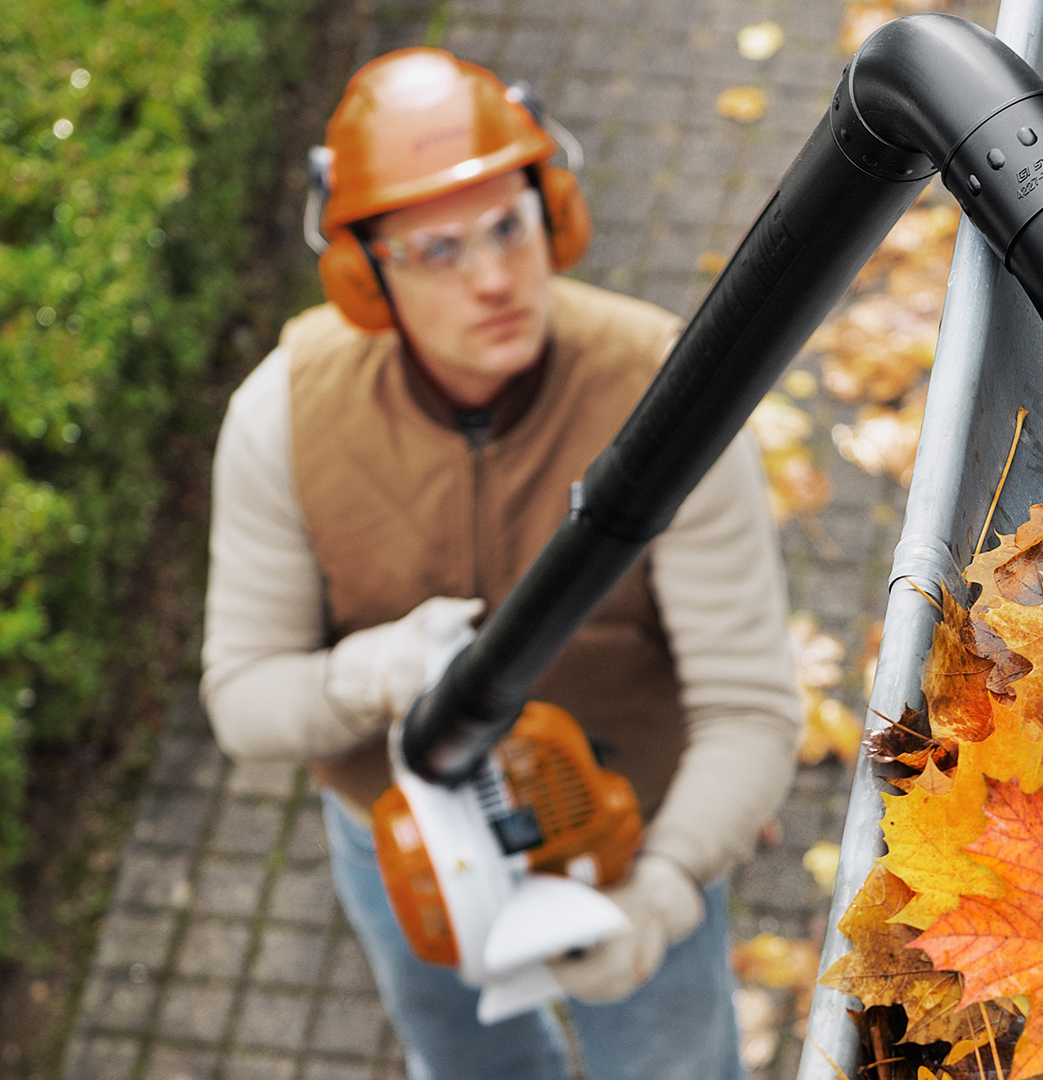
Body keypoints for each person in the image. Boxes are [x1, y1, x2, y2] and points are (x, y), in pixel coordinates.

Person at [199, 49, 801, 1080]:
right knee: (465, 1061)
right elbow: (244, 702)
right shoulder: (280, 421)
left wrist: (660, 895)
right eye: (437, 251)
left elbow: (749, 708)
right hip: (412, 858)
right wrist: (373, 674)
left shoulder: (670, 396)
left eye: (508, 227)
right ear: (365, 272)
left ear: (552, 212)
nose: (492, 279)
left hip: (635, 838)